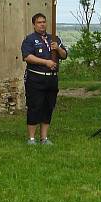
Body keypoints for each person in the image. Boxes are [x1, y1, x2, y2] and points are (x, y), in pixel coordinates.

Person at [21, 13, 67, 145]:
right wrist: (45, 62)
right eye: (39, 22)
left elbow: (64, 55)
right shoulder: (30, 40)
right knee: (35, 107)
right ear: (34, 24)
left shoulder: (54, 39)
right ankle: (31, 138)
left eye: (44, 22)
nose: (42, 24)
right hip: (35, 78)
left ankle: (44, 138)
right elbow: (27, 57)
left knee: (48, 107)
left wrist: (57, 48)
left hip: (51, 79)